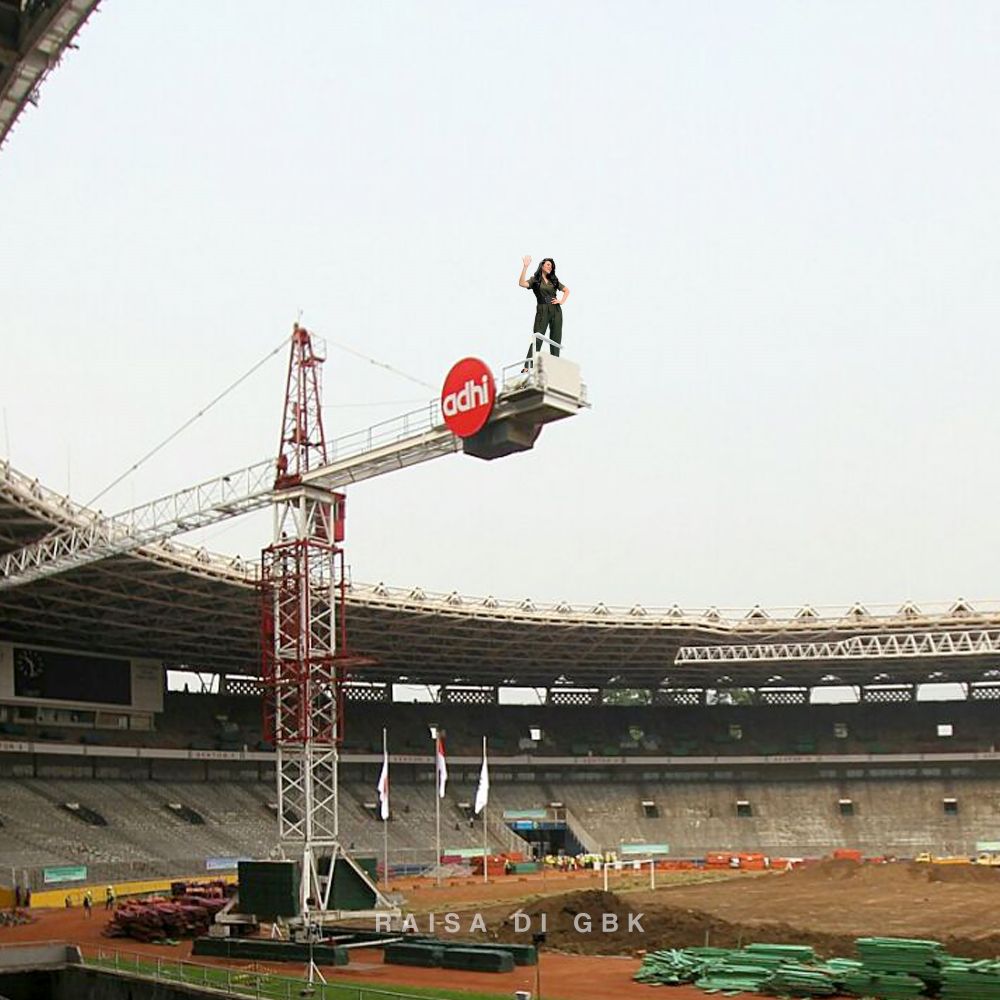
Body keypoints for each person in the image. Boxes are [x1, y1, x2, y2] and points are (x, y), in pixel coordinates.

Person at [518, 255, 570, 370]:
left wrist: (561, 301)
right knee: (538, 337)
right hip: (542, 309)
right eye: (548, 264)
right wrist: (525, 267)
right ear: (542, 265)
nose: (550, 267)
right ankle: (528, 366)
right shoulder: (535, 280)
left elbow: (566, 290)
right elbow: (521, 283)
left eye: (551, 266)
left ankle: (555, 367)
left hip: (556, 310)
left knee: (556, 338)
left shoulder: (554, 280)